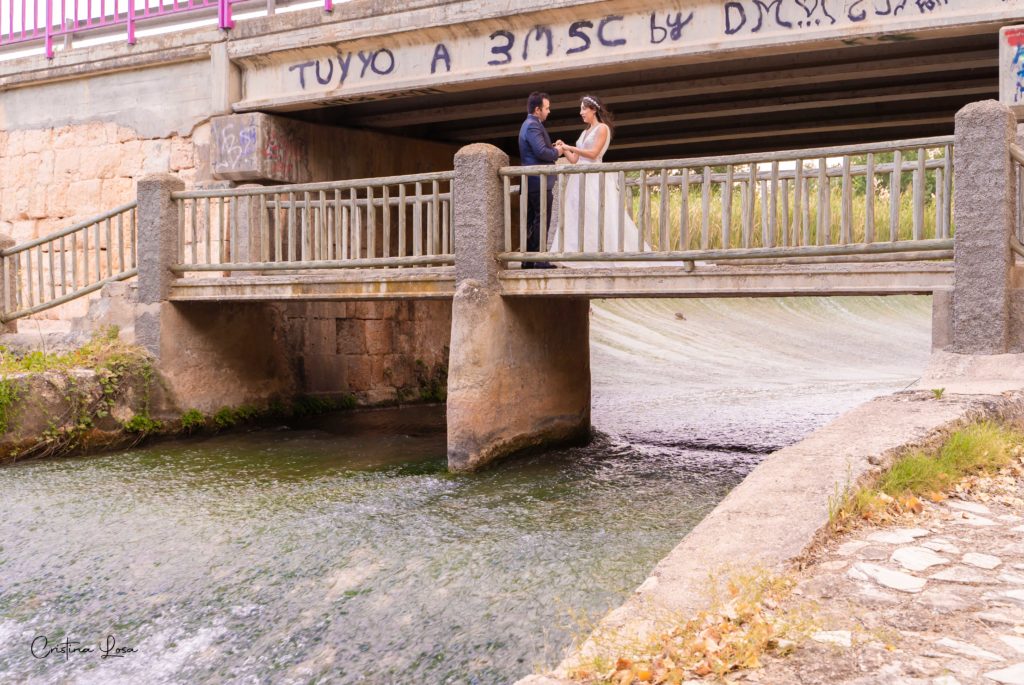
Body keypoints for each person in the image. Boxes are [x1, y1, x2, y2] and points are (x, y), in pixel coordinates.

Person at [550, 95, 650, 267]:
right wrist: (564, 147)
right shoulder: (584, 132)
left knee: (597, 213)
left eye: (583, 109)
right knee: (578, 214)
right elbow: (575, 160)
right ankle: (575, 255)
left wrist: (570, 147)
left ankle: (602, 254)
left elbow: (594, 154)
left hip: (594, 177)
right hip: (579, 178)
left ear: (593, 110)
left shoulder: (602, 128)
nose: (581, 112)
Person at [517, 91, 559, 269]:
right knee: (541, 219)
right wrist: (557, 152)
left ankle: (529, 259)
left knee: (533, 221)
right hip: (538, 182)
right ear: (537, 109)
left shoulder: (528, 124)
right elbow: (541, 152)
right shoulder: (533, 125)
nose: (549, 111)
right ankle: (540, 259)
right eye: (547, 108)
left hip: (532, 182)